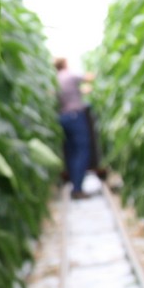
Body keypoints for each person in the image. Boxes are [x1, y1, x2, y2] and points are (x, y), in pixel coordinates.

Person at [54, 58, 95, 199]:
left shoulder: (56, 79)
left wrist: (81, 91)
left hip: (63, 117)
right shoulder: (69, 74)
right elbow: (88, 77)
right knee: (82, 151)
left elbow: (68, 93)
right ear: (64, 64)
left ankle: (74, 185)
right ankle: (77, 189)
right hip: (75, 116)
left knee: (71, 153)